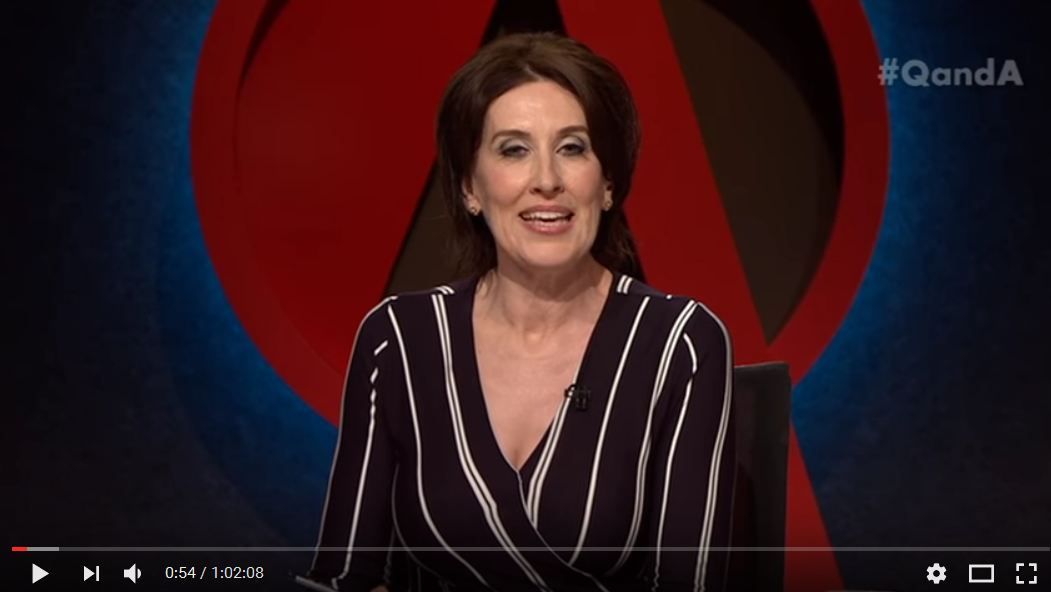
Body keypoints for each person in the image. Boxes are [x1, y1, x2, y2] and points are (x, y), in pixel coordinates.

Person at [300, 32, 735, 592]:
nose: (547, 181)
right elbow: (343, 576)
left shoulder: (680, 343)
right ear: (469, 186)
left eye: (572, 148)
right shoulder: (399, 341)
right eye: (514, 150)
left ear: (607, 183)